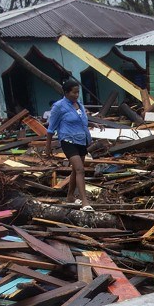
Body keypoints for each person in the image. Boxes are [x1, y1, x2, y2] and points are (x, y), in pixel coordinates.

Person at [46, 78, 94, 212]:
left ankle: (70, 197)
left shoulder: (80, 105)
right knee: (80, 170)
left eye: (78, 92)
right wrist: (48, 147)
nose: (76, 95)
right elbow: (51, 129)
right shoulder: (59, 106)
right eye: (74, 92)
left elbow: (81, 121)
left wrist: (93, 124)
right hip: (68, 141)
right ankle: (85, 202)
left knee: (75, 170)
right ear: (66, 93)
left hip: (81, 141)